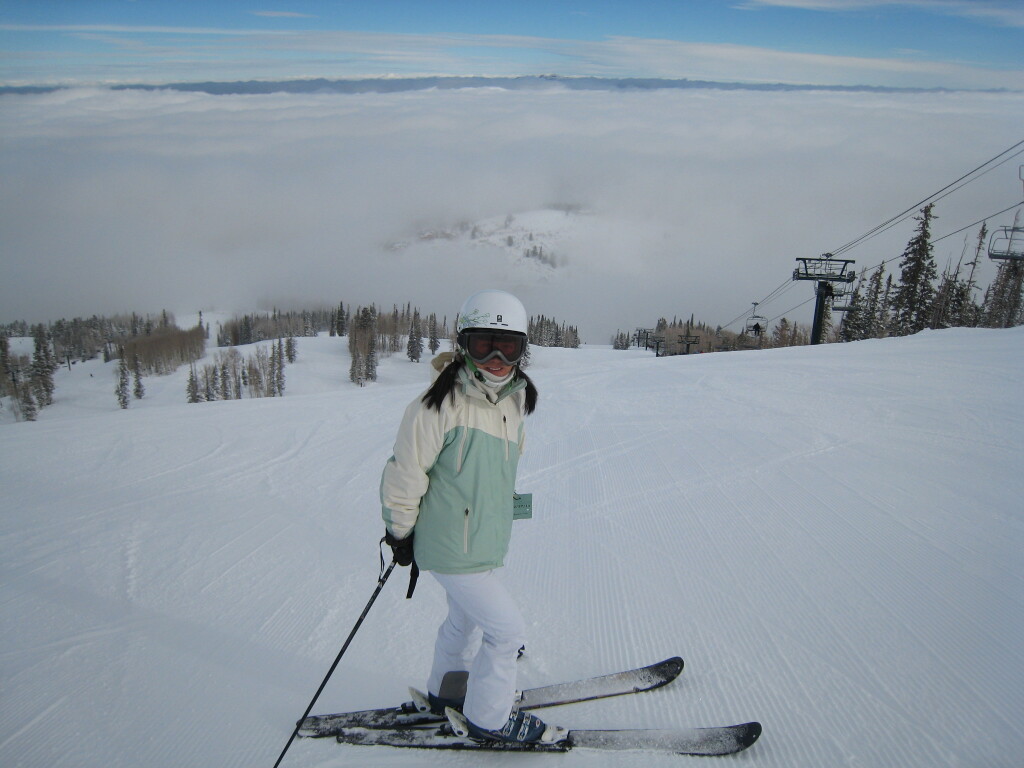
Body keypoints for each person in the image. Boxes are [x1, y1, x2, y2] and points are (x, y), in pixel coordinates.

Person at [380, 289, 559, 745]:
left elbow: (497, 475)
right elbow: (405, 474)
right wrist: (400, 534)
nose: (497, 358)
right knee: (506, 632)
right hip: (449, 546)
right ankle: (489, 719)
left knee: (463, 621)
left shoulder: (513, 402)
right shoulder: (436, 405)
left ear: (523, 349)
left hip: (482, 541)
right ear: (463, 344)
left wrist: (503, 512)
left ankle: (448, 692)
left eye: (509, 346)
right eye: (484, 345)